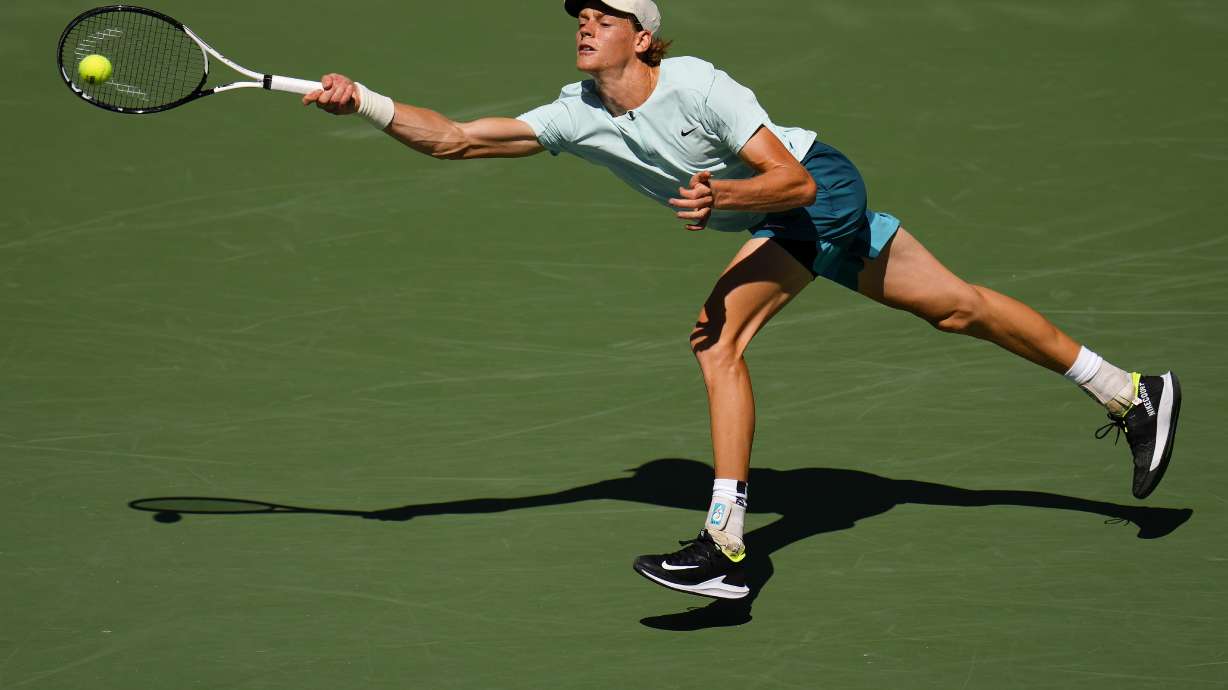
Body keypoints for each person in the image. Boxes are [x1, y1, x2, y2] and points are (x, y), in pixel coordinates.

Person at [303, 0, 1182, 600]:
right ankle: (1128, 391)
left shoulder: (698, 84)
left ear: (643, 38)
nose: (586, 23)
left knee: (716, 340)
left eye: (606, 16)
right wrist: (369, 103)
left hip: (813, 190)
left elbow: (792, 181)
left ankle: (726, 547)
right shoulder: (577, 111)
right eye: (581, 14)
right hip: (791, 209)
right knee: (956, 307)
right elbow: (457, 140)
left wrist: (722, 198)